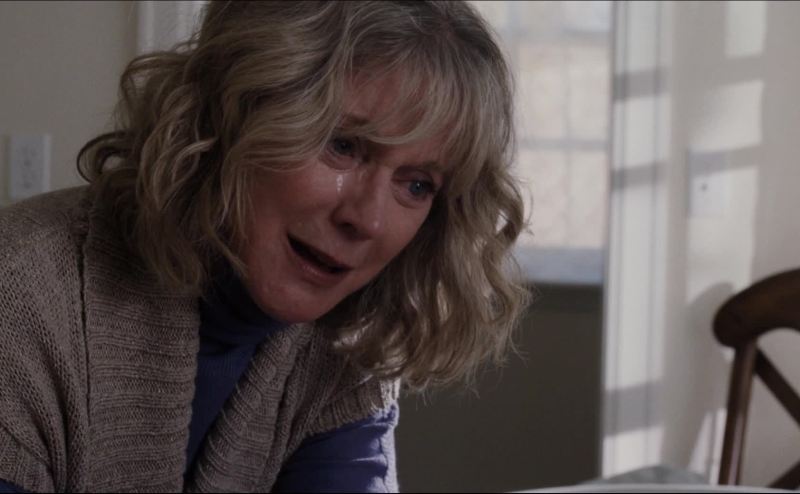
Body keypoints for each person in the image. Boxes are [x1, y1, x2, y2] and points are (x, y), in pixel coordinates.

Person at [0, 1, 530, 492]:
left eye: (416, 184)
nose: (367, 220)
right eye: (342, 145)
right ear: (231, 113)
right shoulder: (20, 294)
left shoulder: (346, 349)